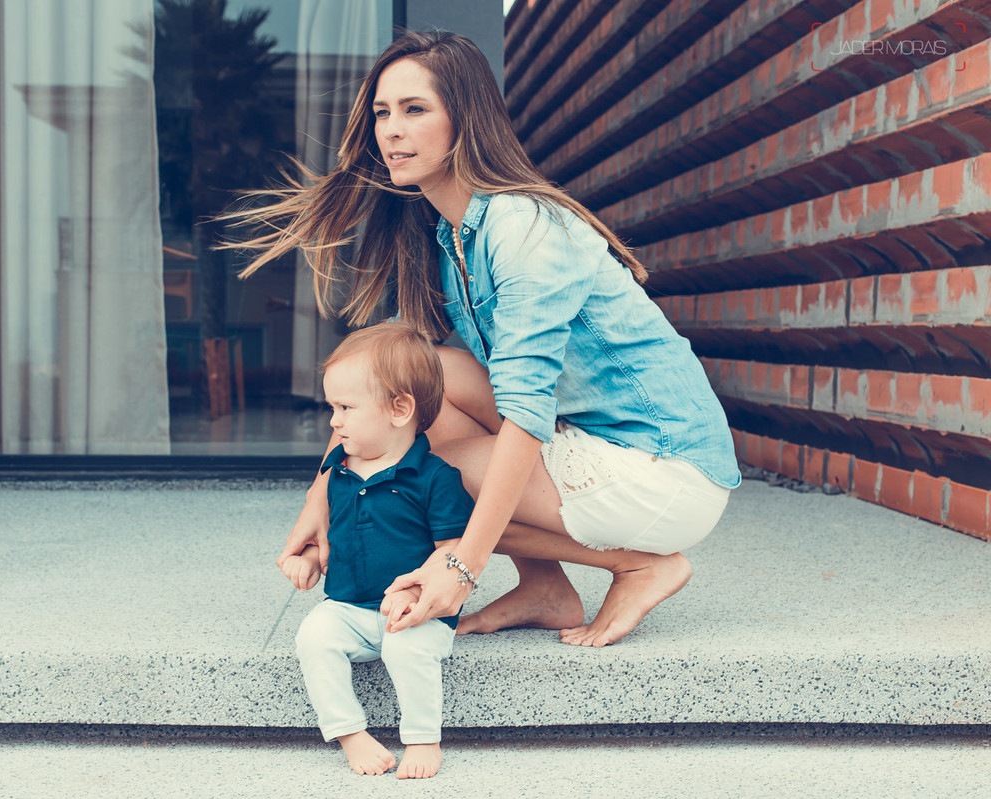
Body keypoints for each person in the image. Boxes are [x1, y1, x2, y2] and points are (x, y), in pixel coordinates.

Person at [230, 30, 741, 649]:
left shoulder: (523, 226)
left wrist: (461, 565)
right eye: (382, 114)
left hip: (666, 467)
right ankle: (544, 587)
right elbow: (398, 381)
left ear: (464, 121)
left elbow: (526, 408)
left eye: (415, 110)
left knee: (421, 471)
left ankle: (641, 564)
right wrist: (323, 490)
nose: (391, 130)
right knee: (415, 387)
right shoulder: (455, 237)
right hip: (592, 439)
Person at [280, 321, 475, 779]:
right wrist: (308, 560)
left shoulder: (434, 478)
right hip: (348, 605)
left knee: (408, 652)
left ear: (400, 409)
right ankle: (350, 734)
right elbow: (332, 535)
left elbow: (454, 548)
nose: (334, 421)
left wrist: (415, 594)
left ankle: (424, 739)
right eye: (332, 407)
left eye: (346, 407)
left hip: (416, 612)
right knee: (313, 636)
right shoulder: (339, 470)